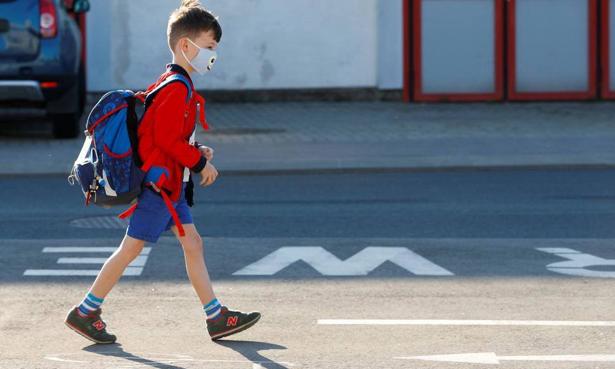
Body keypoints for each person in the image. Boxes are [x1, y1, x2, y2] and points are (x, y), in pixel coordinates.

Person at [64, 0, 260, 344]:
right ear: (187, 45)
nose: (213, 55)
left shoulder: (172, 82)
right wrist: (200, 163)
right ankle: (86, 310)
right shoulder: (176, 87)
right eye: (210, 47)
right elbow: (166, 139)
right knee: (131, 250)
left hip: (169, 186)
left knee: (192, 244)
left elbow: (162, 137)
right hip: (160, 188)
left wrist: (195, 151)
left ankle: (216, 316)